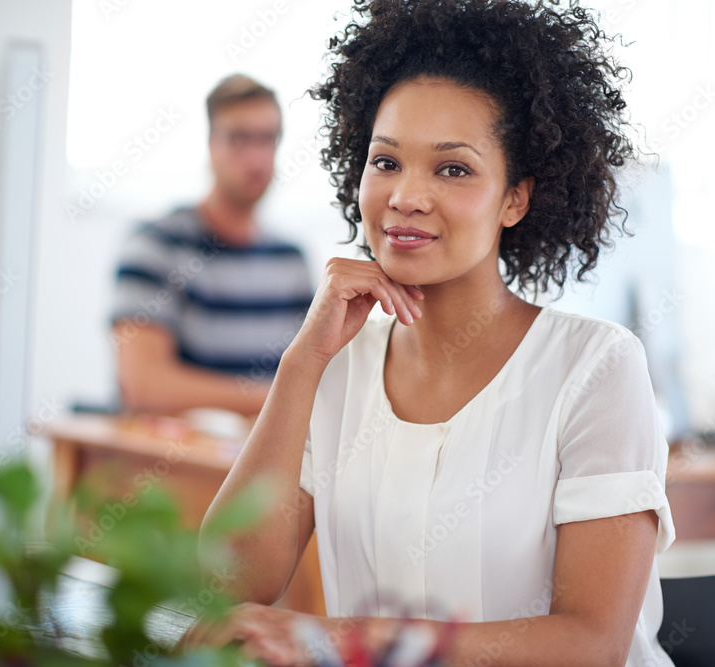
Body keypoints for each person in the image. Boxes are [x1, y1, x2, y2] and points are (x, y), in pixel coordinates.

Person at [188, 1, 675, 665]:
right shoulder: (336, 363)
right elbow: (221, 588)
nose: (406, 196)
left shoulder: (595, 367)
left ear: (516, 198)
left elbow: (590, 644)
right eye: (386, 162)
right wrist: (302, 361)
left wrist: (336, 637)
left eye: (453, 169)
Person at [109, 74, 313, 417]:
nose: (256, 157)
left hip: (265, 463)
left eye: (268, 139)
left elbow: (312, 374)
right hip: (175, 465)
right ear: (210, 145)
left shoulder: (291, 261)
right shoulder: (155, 248)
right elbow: (143, 387)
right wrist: (276, 401)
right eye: (239, 139)